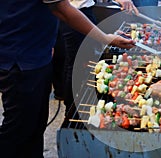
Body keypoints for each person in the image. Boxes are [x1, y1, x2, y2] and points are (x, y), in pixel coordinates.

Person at [0, 0, 135, 158]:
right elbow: (62, 9)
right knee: (18, 130)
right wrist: (105, 38)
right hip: (22, 59)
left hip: (27, 52)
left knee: (33, 126)